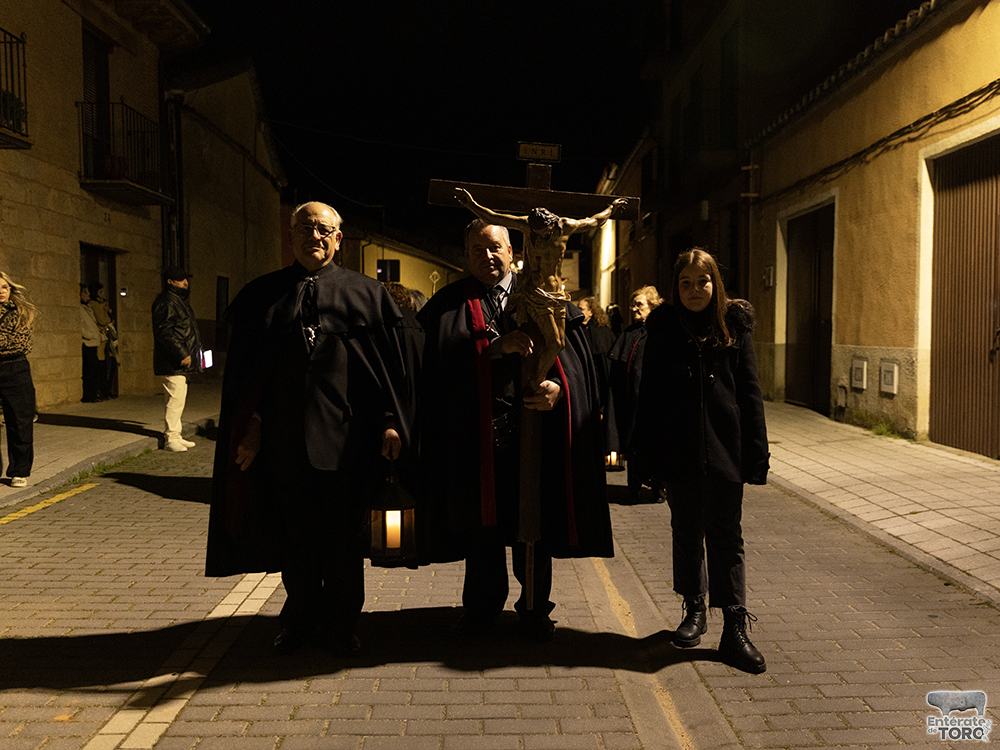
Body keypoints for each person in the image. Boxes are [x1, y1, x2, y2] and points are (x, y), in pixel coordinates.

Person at [206, 201, 408, 657]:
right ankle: (298, 621)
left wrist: (390, 422)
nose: (313, 236)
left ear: (338, 238)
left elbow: (387, 373)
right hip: (284, 443)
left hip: (347, 442)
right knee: (294, 537)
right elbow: (249, 381)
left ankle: (341, 625)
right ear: (290, 236)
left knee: (342, 539)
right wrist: (252, 425)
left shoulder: (367, 294)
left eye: (322, 229)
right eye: (303, 228)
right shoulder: (263, 295)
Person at [417, 218, 613, 642]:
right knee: (482, 527)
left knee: (534, 524)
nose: (486, 256)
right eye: (476, 249)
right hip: (476, 438)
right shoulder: (448, 304)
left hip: (536, 434)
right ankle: (481, 607)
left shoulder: (548, 299)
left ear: (512, 252)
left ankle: (535, 608)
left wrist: (558, 389)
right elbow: (435, 369)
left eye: (494, 247)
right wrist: (493, 348)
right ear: (465, 255)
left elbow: (580, 369)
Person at [634, 248, 769, 674]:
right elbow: (650, 394)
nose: (695, 290)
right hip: (679, 448)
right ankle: (694, 607)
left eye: (702, 281)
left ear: (715, 283)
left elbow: (749, 392)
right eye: (686, 283)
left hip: (725, 447)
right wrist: (645, 456)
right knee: (686, 530)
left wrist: (756, 453)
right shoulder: (664, 327)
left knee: (727, 536)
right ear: (676, 287)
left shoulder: (734, 325)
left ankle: (734, 626)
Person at [607, 285, 663, 502]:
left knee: (656, 444)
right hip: (632, 403)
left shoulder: (661, 333)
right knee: (633, 444)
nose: (634, 309)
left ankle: (658, 487)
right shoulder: (628, 334)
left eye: (639, 304)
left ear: (652, 306)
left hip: (654, 402)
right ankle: (633, 486)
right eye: (633, 305)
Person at [151, 266, 201, 452]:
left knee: (177, 398)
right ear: (170, 282)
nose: (185, 283)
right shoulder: (167, 301)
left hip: (176, 360)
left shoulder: (177, 301)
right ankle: (171, 437)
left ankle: (176, 435)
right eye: (181, 280)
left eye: (185, 279)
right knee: (175, 398)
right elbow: (165, 332)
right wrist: (182, 353)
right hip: (172, 360)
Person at [0, 272, 36, 487]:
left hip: (16, 368)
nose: (0, 291)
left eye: (4, 287)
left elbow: (20, 344)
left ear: (10, 289)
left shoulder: (22, 312)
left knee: (19, 423)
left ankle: (19, 471)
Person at [578, 296, 615, 461]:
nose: (578, 312)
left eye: (581, 309)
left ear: (591, 312)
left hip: (600, 383)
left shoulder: (601, 332)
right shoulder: (578, 330)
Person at [88, 282, 115, 399]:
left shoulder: (101, 304)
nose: (103, 294)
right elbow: (102, 320)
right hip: (100, 338)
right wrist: (108, 317)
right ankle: (101, 390)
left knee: (109, 365)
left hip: (106, 337)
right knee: (101, 366)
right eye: (100, 292)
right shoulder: (94, 304)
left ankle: (106, 390)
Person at [80, 284, 103, 403]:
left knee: (95, 370)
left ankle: (93, 394)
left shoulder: (87, 308)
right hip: (87, 342)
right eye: (85, 292)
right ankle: (89, 395)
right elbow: (81, 326)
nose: (88, 295)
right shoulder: (80, 309)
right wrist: (90, 335)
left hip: (93, 342)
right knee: (90, 370)